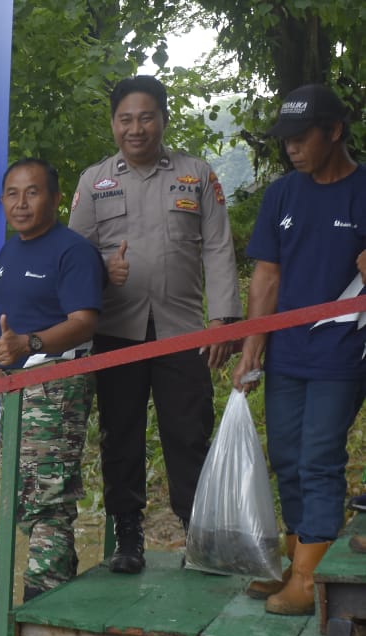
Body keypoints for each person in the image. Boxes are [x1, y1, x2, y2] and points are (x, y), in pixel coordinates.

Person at [68, 74, 242, 574]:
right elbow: (73, 256)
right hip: (116, 332)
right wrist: (103, 268)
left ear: (163, 119)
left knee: (188, 433)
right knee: (119, 435)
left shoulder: (196, 175)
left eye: (146, 117)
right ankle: (128, 536)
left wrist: (224, 320)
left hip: (184, 329)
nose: (136, 128)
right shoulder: (94, 181)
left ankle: (198, 533)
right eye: (126, 119)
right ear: (113, 124)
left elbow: (217, 248)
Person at [231, 84, 366, 615]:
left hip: (344, 352)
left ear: (335, 132)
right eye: (284, 139)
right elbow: (266, 276)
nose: (291, 147)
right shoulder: (282, 194)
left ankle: (312, 580)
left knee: (318, 458)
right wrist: (251, 347)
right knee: (285, 456)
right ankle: (295, 559)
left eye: (301, 136)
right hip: (286, 352)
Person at [0, 158, 105, 601]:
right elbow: (4, 334)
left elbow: (84, 321)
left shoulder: (72, 251)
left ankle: (38, 612)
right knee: (27, 498)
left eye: (33, 192)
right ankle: (47, 606)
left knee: (49, 497)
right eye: (12, 193)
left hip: (56, 384)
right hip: (13, 389)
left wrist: (30, 345)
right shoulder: (9, 253)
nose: (21, 203)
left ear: (55, 198)